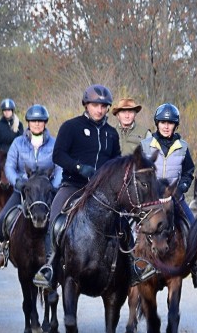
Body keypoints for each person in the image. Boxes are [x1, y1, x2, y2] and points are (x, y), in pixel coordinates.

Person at [33, 84, 153, 289]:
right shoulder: (71, 127)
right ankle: (50, 267)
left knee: (123, 222)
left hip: (103, 192)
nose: (100, 109)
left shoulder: (111, 134)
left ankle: (133, 267)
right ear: (86, 105)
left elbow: (116, 161)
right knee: (55, 219)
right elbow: (58, 155)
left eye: (104, 106)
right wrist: (80, 167)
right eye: (95, 105)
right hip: (74, 185)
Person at [0, 104, 62, 268]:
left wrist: (53, 185)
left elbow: (60, 168)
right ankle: (4, 251)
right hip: (23, 190)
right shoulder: (18, 143)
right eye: (33, 121)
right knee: (2, 219)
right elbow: (9, 166)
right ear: (28, 123)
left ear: (45, 123)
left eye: (40, 121)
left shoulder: (54, 143)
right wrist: (17, 181)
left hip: (46, 192)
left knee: (62, 221)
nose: (37, 124)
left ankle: (62, 255)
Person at [140, 103, 195, 222]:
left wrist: (179, 189)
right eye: (162, 122)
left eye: (170, 123)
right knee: (132, 230)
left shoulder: (183, 147)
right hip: (150, 198)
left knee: (193, 224)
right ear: (157, 123)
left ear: (175, 125)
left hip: (175, 198)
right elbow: (139, 173)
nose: (166, 126)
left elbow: (188, 173)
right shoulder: (145, 145)